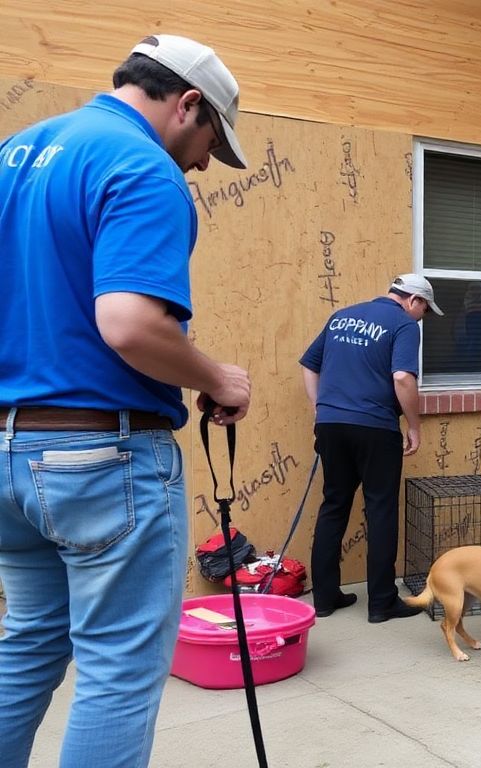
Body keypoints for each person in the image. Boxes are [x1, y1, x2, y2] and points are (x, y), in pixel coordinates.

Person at [0, 34, 252, 768]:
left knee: (29, 644)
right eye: (211, 141)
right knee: (118, 671)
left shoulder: (16, 154)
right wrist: (216, 379)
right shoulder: (141, 166)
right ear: (188, 104)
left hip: (9, 453)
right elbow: (132, 325)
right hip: (99, 459)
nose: (204, 163)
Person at [300, 274, 442, 623]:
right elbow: (402, 378)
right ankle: (381, 603)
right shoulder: (405, 325)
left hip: (331, 425)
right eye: (424, 309)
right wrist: (413, 425)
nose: (422, 316)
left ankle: (324, 597)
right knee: (380, 510)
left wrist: (321, 408)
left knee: (334, 504)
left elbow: (308, 364)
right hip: (375, 427)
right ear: (414, 301)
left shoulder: (341, 316)